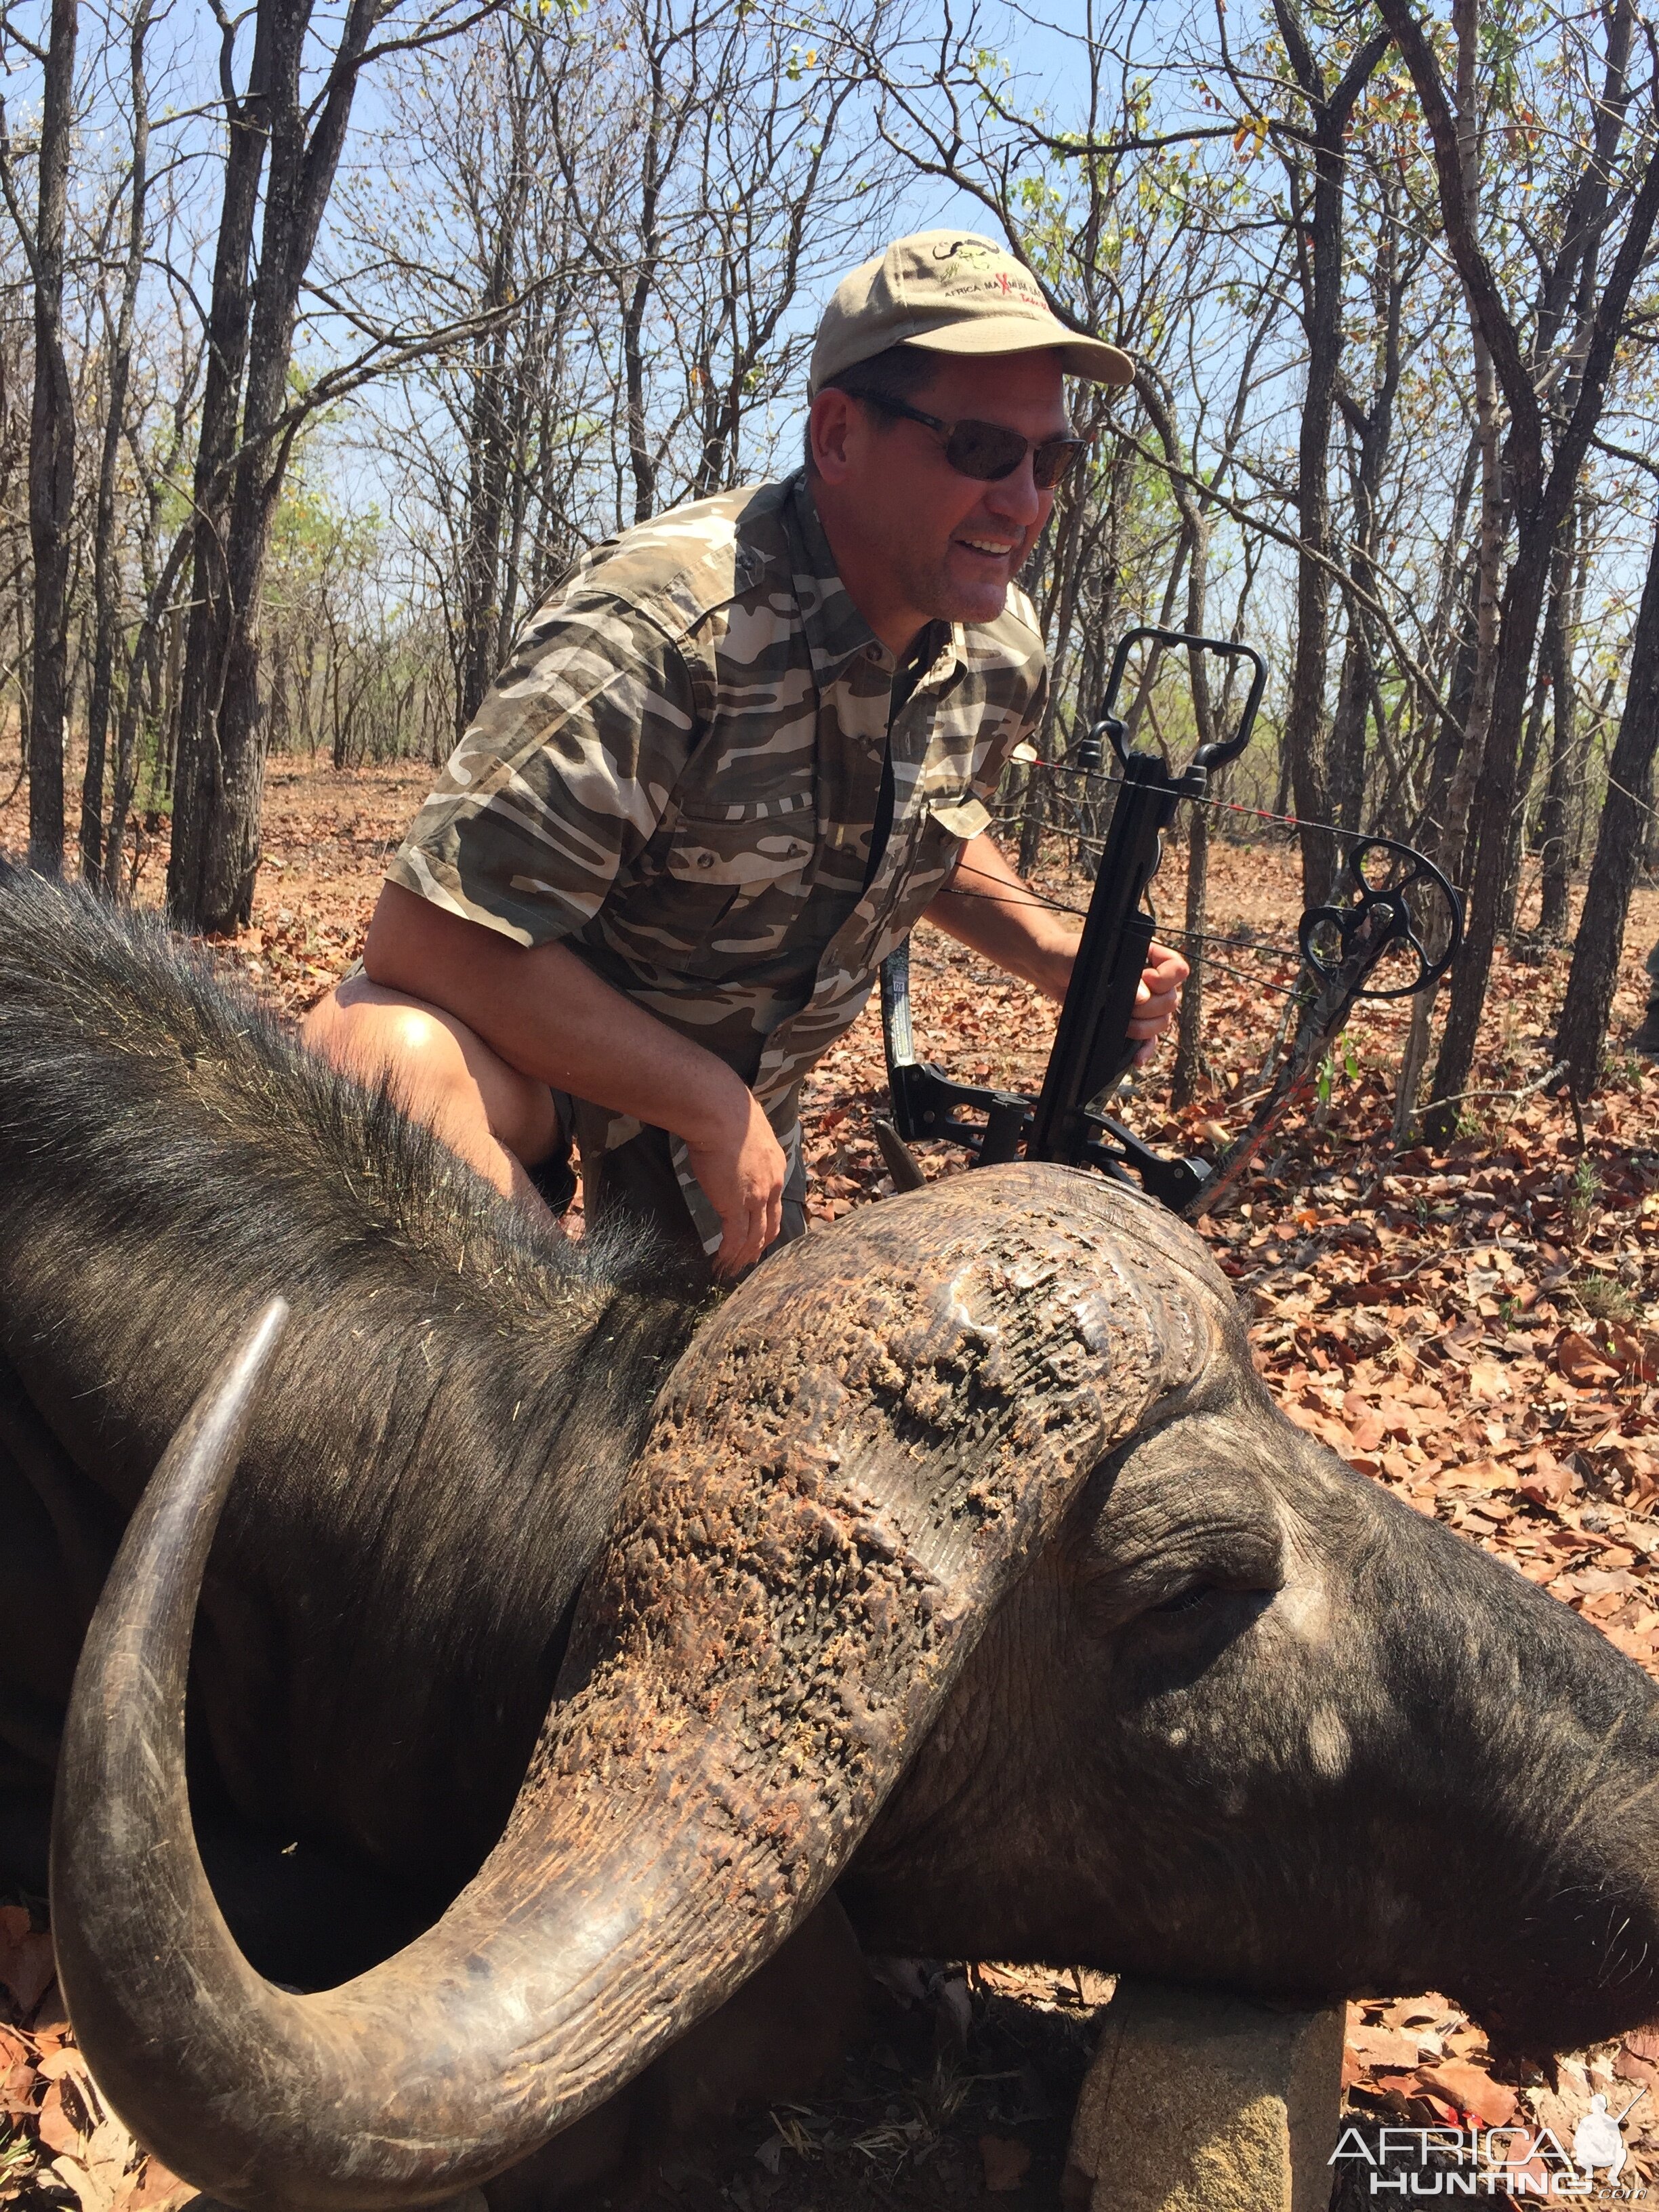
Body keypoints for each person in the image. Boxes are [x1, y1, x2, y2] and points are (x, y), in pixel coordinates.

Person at [304, 230, 1189, 1279]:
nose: (1027, 501)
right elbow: (426, 941)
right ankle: (529, 1363)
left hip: (731, 1151)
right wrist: (707, 1102)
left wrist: (1054, 953)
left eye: (1053, 460)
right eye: (984, 452)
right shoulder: (665, 623)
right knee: (372, 1058)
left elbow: (929, 827)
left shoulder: (999, 650)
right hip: (551, 1082)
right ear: (838, 435)